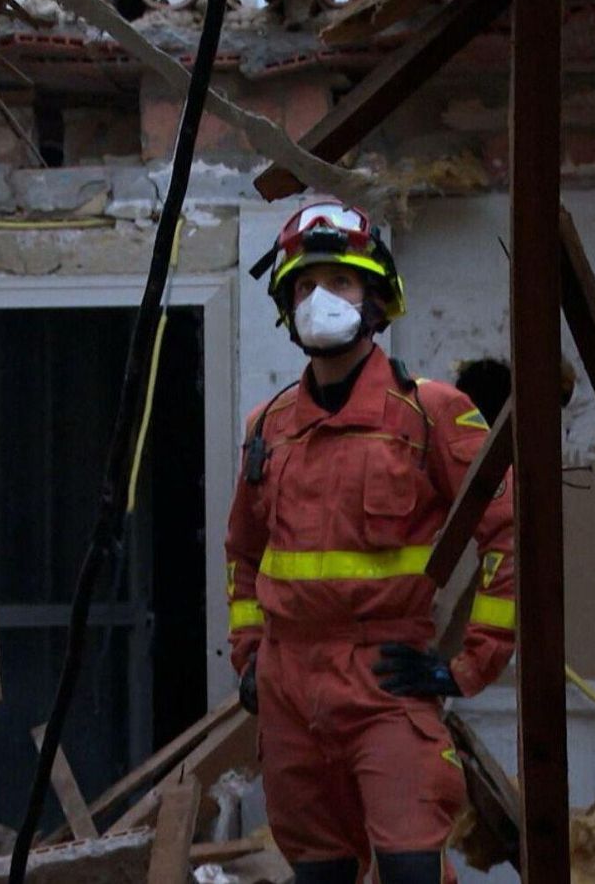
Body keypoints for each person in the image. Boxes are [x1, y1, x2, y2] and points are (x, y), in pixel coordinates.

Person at [226, 200, 518, 884]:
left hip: (385, 677)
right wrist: (248, 656)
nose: (319, 299)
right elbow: (243, 553)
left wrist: (469, 666)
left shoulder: (434, 413)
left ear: (377, 298)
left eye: (341, 283)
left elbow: (509, 534)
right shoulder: (267, 426)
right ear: (284, 304)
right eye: (303, 285)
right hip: (287, 684)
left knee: (411, 868)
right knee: (320, 873)